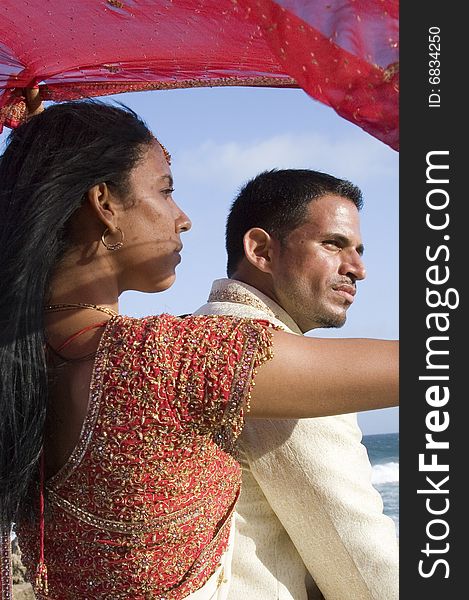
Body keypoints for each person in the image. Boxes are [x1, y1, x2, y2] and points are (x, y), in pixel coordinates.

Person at [0, 100, 397, 600]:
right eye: (165, 191)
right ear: (104, 203)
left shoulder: (21, 360)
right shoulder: (167, 360)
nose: (183, 219)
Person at [194, 169, 399, 600]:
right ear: (262, 250)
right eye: (333, 244)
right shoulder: (276, 367)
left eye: (359, 250)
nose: (358, 268)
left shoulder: (191, 338)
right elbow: (366, 567)